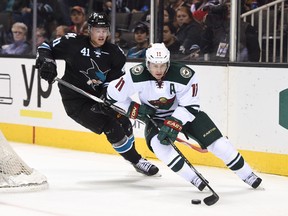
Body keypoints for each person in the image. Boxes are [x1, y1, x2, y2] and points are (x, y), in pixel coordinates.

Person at [106, 43, 262, 191]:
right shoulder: (136, 75)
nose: (158, 70)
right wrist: (134, 109)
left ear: (168, 63)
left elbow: (191, 106)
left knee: (219, 144)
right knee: (160, 147)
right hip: (156, 118)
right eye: (154, 66)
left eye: (162, 65)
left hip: (185, 114)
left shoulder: (184, 75)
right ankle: (193, 178)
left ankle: (247, 174)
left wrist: (174, 123)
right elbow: (112, 95)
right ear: (147, 64)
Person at [35, 12, 159, 176]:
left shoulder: (116, 53)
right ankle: (137, 160)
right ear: (89, 30)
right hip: (76, 101)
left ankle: (133, 159)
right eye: (97, 30)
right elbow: (45, 47)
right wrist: (48, 62)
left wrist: (107, 98)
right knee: (111, 127)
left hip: (98, 98)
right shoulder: (73, 43)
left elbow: (114, 83)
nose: (101, 34)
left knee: (125, 122)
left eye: (104, 30)